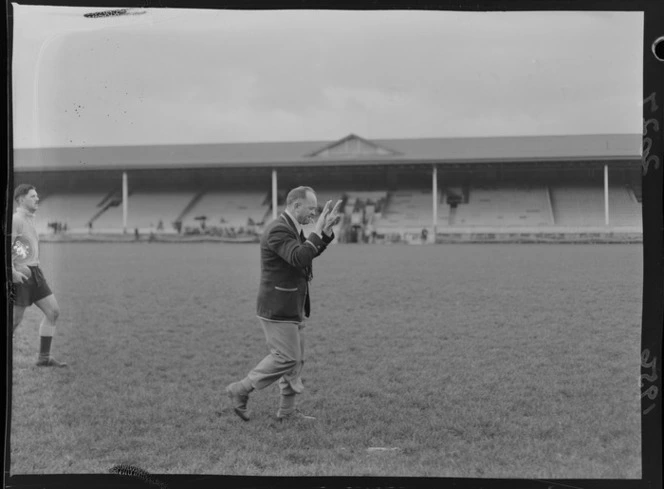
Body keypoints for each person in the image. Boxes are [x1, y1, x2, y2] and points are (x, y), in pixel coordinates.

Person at [226, 186, 342, 422]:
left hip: (292, 303)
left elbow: (304, 255)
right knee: (286, 357)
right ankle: (241, 389)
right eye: (311, 209)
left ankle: (287, 413)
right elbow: (299, 257)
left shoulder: (291, 227)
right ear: (295, 205)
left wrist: (326, 232)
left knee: (295, 360)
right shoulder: (278, 230)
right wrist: (317, 230)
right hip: (278, 306)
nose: (314, 213)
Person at [11, 184, 67, 367]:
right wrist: (12, 272)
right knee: (14, 321)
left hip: (35, 273)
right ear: (20, 199)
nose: (37, 199)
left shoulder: (30, 219)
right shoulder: (16, 220)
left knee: (53, 312)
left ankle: (44, 358)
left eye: (37, 196)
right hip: (21, 273)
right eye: (33, 196)